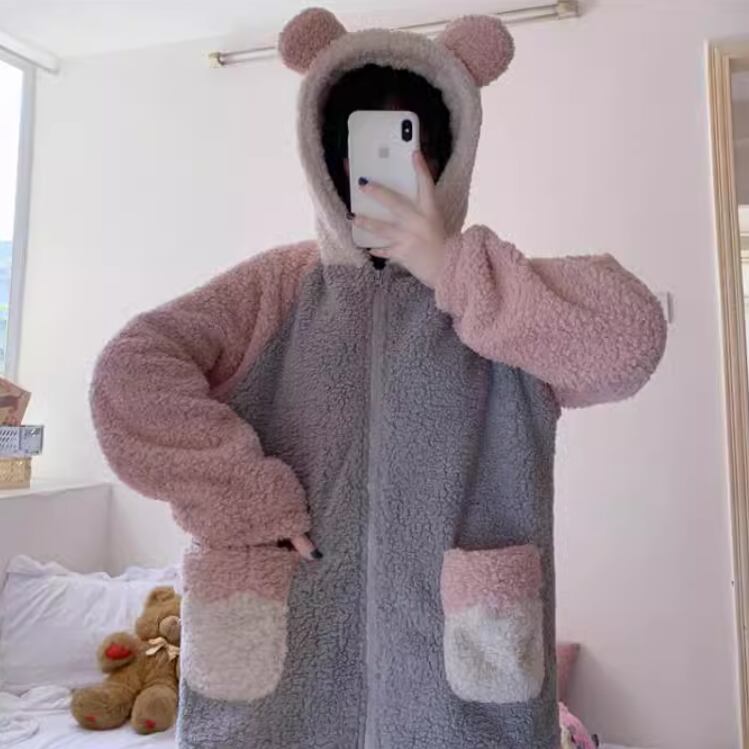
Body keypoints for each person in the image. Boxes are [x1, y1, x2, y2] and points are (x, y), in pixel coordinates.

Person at [90, 8, 667, 749]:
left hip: (462, 712)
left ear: (450, 155)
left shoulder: (496, 299)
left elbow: (631, 336)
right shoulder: (275, 293)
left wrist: (447, 264)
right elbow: (128, 375)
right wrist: (240, 498)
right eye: (361, 145)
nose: (389, 170)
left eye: (413, 145)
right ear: (325, 156)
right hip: (278, 703)